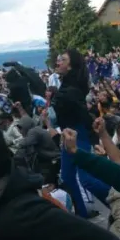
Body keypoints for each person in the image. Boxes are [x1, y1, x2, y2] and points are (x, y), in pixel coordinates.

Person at [51, 48, 100, 218]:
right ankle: (81, 213)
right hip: (68, 134)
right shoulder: (66, 85)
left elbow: (83, 115)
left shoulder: (72, 89)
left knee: (86, 178)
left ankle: (119, 202)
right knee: (66, 176)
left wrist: (95, 140)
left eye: (62, 59)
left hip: (78, 133)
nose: (58, 62)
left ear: (71, 66)